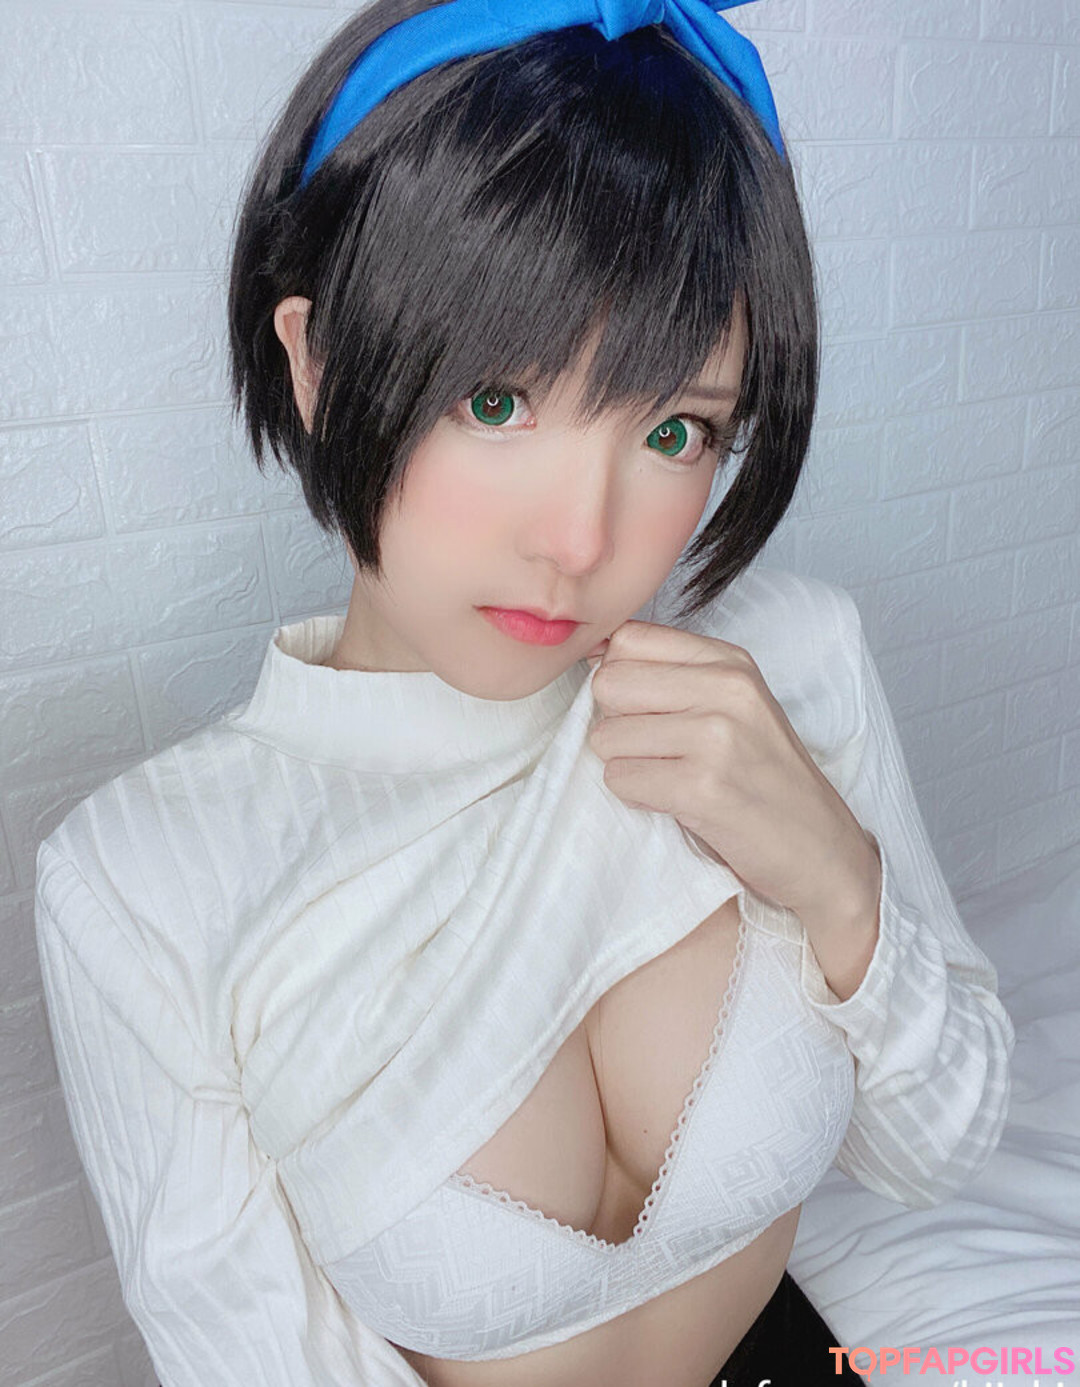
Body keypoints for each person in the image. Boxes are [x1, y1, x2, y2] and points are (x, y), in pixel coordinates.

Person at [33, 3, 1016, 1385]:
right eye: (495, 403)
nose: (581, 540)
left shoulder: (785, 665)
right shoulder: (142, 879)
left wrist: (841, 884)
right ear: (316, 364)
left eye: (675, 429)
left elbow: (938, 1152)